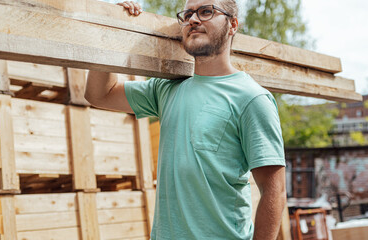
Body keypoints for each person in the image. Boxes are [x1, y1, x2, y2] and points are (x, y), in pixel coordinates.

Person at [85, 0, 286, 239]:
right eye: (188, 13)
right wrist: (112, 29)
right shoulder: (167, 90)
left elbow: (274, 191)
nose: (193, 19)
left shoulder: (251, 99)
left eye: (206, 11)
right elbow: (98, 94)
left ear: (232, 25)